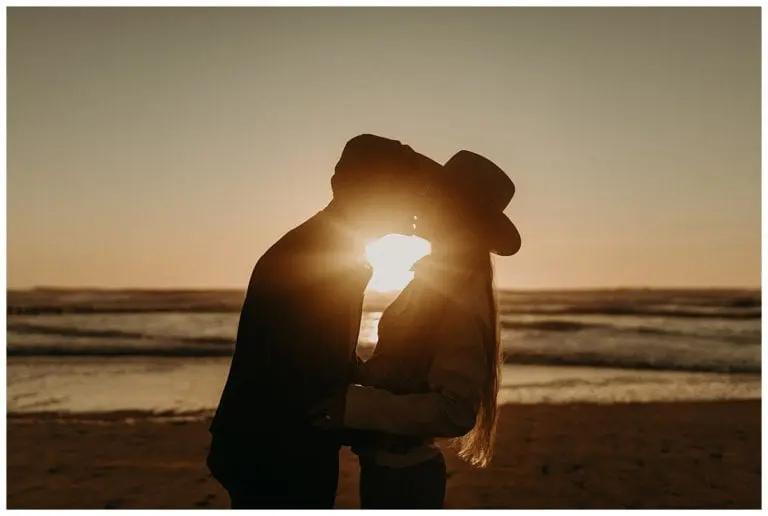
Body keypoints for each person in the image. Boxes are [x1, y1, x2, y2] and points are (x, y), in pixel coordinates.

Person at [207, 134, 441, 509]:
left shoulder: (331, 248)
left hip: (271, 443)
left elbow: (321, 357)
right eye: (406, 191)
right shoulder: (322, 255)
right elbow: (306, 376)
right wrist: (382, 416)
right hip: (276, 451)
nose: (414, 204)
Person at [310, 150, 521, 509]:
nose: (423, 200)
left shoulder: (460, 297)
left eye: (435, 195)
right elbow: (404, 368)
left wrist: (354, 406)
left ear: (457, 213)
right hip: (391, 470)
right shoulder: (435, 281)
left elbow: (454, 411)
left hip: (405, 478)